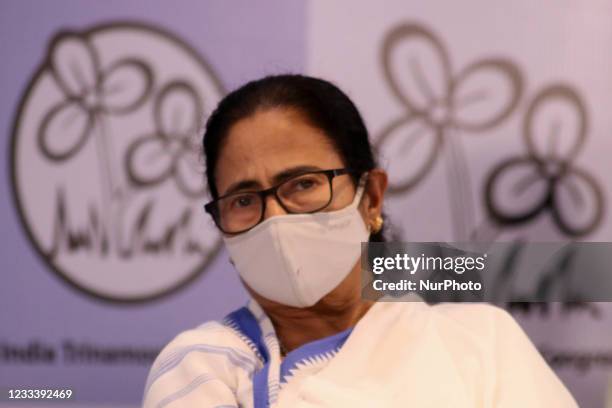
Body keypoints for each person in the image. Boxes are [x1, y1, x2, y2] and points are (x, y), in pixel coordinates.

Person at [142, 75, 577, 407]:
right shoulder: (201, 364)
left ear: (370, 198)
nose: (274, 219)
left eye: (302, 184)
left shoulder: (481, 341)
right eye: (243, 199)